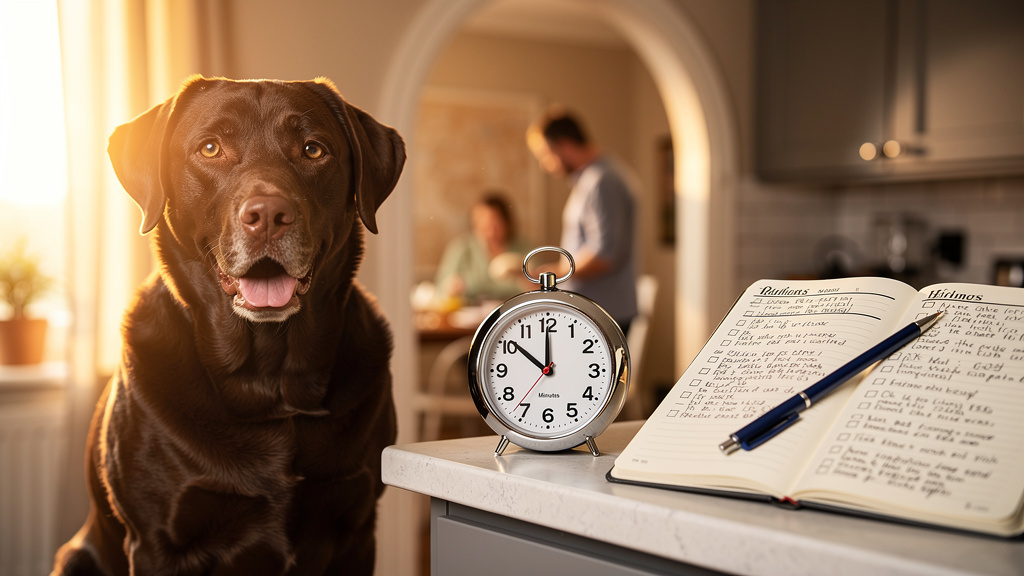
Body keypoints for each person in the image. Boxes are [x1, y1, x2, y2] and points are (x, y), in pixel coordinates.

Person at [527, 108, 638, 332]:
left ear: (565, 145)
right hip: (595, 312)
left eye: (546, 154)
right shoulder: (590, 179)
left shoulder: (603, 181)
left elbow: (605, 255)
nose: (545, 164)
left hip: (604, 314)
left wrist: (554, 274)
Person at [434, 193, 529, 306]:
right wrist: (451, 287)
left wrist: (522, 278)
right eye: (482, 223)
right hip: (471, 317)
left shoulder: (524, 249)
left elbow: (536, 288)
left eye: (495, 222)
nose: (490, 229)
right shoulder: (461, 248)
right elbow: (441, 289)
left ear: (506, 222)